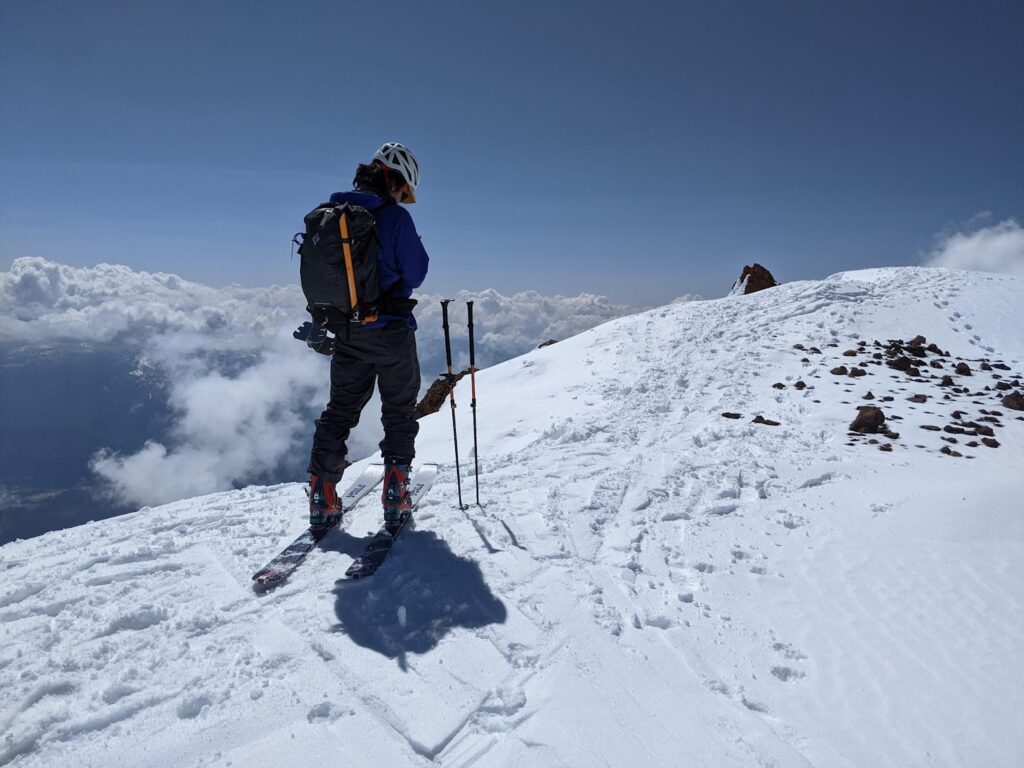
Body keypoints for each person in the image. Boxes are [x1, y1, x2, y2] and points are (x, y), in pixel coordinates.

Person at [307, 142, 429, 535]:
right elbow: (415, 274)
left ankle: (323, 494)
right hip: (390, 331)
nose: (402, 198)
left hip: (345, 331)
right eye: (403, 191)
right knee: (398, 411)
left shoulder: (330, 215)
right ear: (396, 181)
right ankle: (396, 492)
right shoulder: (395, 219)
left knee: (340, 410)